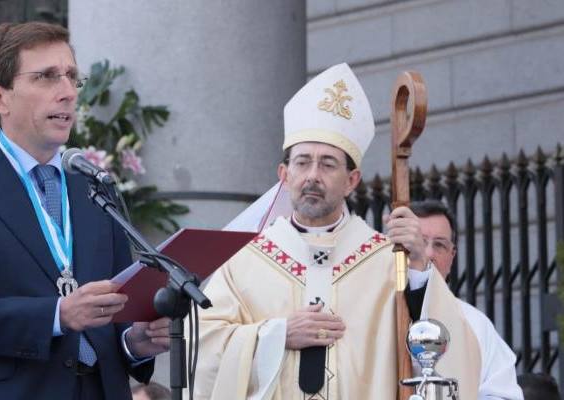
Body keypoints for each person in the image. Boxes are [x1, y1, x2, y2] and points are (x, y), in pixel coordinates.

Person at [0, 22, 169, 400]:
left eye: (71, 77)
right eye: (47, 77)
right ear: (0, 98)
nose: (67, 93)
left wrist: (135, 341)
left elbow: (116, 307)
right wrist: (57, 315)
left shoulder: (96, 187)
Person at [194, 63, 482, 399]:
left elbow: (449, 353)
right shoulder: (244, 261)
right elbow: (202, 351)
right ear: (284, 176)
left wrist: (418, 268)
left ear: (352, 180)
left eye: (328, 164)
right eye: (302, 162)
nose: (313, 175)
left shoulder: (387, 261)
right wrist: (277, 335)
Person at [408, 199, 523, 399]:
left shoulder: (475, 324)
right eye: (419, 242)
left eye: (440, 245)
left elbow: (504, 395)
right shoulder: (374, 315)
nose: (428, 253)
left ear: (452, 257)